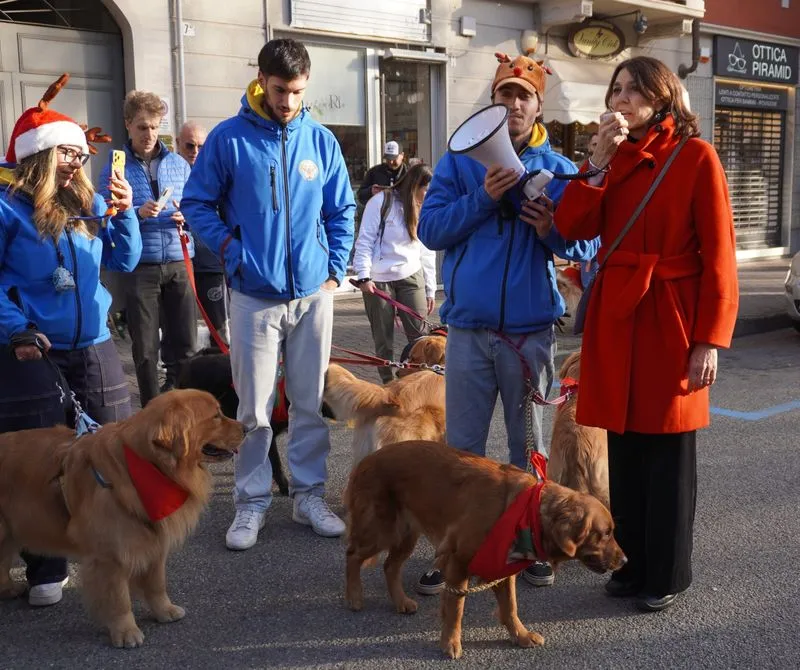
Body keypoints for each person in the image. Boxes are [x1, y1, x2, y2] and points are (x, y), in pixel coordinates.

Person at [555, 56, 738, 612]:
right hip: (618, 318)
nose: (622, 99)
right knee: (625, 447)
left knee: (669, 453)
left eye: (635, 90)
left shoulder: (696, 155)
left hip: (671, 314)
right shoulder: (612, 160)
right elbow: (571, 229)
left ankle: (666, 573)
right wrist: (594, 163)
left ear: (664, 98)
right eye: (616, 89)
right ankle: (627, 564)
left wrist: (709, 338)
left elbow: (721, 256)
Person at [417, 51, 599, 594]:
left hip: (529, 332)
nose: (514, 103)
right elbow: (431, 230)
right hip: (470, 332)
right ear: (493, 102)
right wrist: (483, 197)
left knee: (527, 450)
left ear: (538, 104)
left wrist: (551, 230)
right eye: (505, 94)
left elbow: (587, 242)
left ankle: (529, 546)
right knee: (463, 453)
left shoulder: (562, 168)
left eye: (524, 95)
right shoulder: (460, 163)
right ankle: (453, 551)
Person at [182, 38, 355, 549]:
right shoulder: (228, 139)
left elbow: (341, 209)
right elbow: (197, 204)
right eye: (280, 90)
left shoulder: (320, 140)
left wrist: (335, 268)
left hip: (311, 294)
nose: (288, 102)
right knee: (254, 409)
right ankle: (251, 501)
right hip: (253, 294)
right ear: (260, 79)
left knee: (307, 403)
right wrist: (232, 250)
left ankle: (308, 496)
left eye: (298, 92)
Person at [0, 75, 141, 607]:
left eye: (80, 153)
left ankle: (111, 547)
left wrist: (122, 216)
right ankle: (45, 565)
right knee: (42, 463)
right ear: (39, 155)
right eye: (65, 152)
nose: (76, 162)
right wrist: (14, 326)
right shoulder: (6, 209)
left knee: (109, 453)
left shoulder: (91, 202)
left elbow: (125, 262)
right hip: (29, 347)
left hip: (96, 343)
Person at [99, 91, 195, 405]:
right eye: (142, 127)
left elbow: (200, 207)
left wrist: (188, 216)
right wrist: (137, 213)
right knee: (145, 348)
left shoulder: (179, 164)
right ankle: (152, 408)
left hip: (180, 261)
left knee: (185, 343)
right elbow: (104, 218)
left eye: (154, 127)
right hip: (141, 265)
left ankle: (179, 402)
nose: (149, 134)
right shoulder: (115, 167)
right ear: (128, 125)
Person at [352, 163, 436, 384]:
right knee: (383, 341)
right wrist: (363, 275)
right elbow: (365, 241)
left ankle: (419, 385)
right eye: (426, 190)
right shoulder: (381, 202)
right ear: (415, 185)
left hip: (411, 275)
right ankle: (389, 385)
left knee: (421, 339)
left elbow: (427, 248)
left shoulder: (423, 207)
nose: (429, 195)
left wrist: (430, 288)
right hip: (379, 280)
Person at [175, 120, 228, 340]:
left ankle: (222, 372)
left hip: (210, 264)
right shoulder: (168, 172)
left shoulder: (217, 172)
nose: (195, 152)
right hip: (178, 264)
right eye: (189, 145)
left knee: (219, 330)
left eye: (201, 146)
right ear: (178, 144)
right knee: (182, 332)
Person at [356, 140, 407, 206]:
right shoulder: (374, 172)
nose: (391, 162)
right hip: (380, 214)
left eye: (394, 158)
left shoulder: (410, 174)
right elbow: (360, 195)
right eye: (388, 159)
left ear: (402, 155)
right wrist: (370, 191)